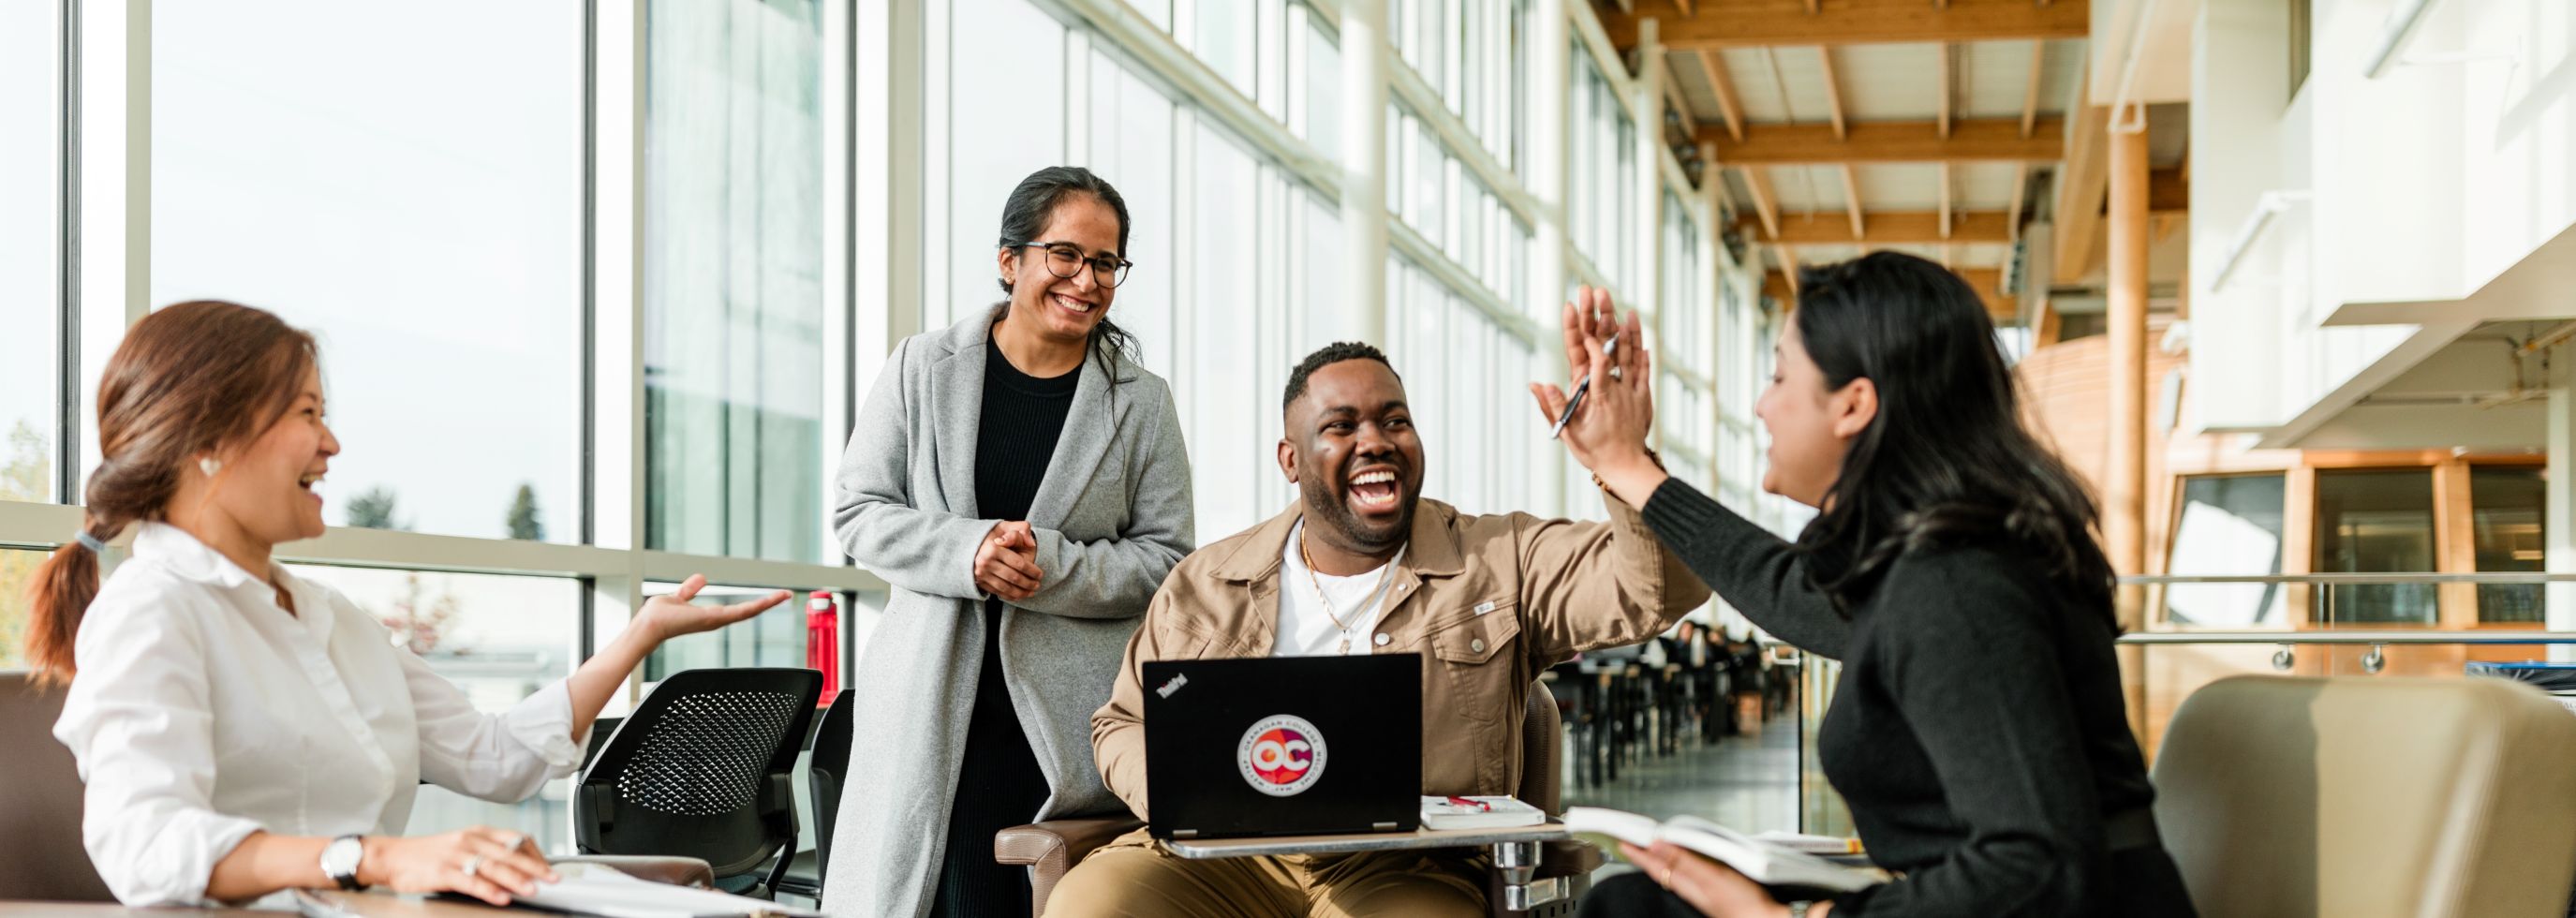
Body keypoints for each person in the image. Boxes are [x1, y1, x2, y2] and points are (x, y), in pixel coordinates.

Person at [28, 301, 792, 909]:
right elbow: (144, 844)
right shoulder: (153, 611)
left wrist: (641, 634)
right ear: (210, 440)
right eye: (305, 414)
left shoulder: (331, 620)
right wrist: (377, 857)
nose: (332, 444)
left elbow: (497, 759)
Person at [1542, 254, 2197, 917]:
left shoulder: (1956, 587)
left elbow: (2039, 868)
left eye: (1777, 376)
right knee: (1634, 904)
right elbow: (1787, 589)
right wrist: (1626, 466)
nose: (1762, 406)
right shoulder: (1930, 566)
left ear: (1854, 404)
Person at [1046, 341, 1712, 918]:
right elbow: (1121, 723)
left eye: (1395, 420)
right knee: (1089, 903)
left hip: (1403, 864)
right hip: (1223, 858)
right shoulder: (1207, 580)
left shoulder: (1498, 560)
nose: (1375, 440)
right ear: (1291, 458)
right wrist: (1183, 793)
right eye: (1341, 425)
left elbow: (1656, 590)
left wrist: (1627, 465)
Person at [822, 166, 1194, 918]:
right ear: (1010, 259)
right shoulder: (922, 367)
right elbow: (859, 513)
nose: (1085, 280)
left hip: (1061, 722)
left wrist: (1049, 567)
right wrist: (970, 553)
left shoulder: (1141, 402)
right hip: (929, 702)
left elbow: (1168, 562)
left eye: (1105, 263)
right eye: (1065, 255)